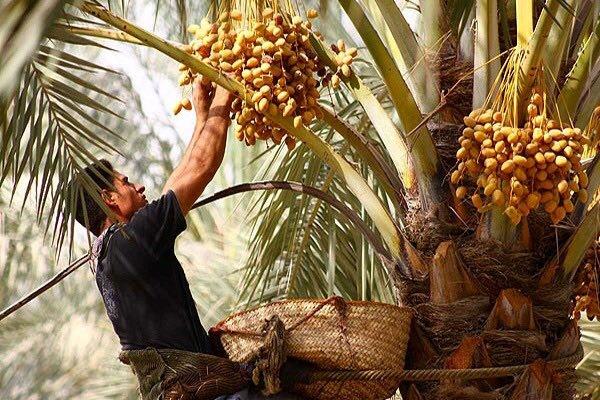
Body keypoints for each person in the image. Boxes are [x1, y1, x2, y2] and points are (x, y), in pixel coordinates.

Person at [70, 78, 301, 400]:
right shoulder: (134, 238)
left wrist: (203, 117)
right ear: (110, 198)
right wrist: (227, 87)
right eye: (126, 183)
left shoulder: (114, 251)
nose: (138, 187)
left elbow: (176, 184)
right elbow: (201, 167)